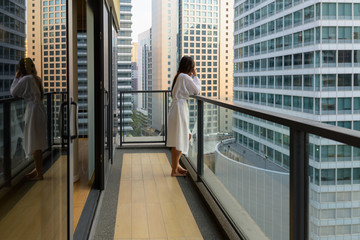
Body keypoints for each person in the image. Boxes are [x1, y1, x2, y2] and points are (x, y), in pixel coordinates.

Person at [11, 58, 47, 180]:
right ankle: (38, 170)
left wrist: (16, 78)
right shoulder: (37, 78)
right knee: (38, 142)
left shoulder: (26, 79)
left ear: (21, 69)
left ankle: (39, 174)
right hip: (40, 111)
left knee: (34, 142)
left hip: (33, 112)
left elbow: (13, 92)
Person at [167, 56, 201, 177]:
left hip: (176, 109)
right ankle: (174, 170)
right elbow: (196, 91)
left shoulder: (179, 76)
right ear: (190, 67)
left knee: (179, 139)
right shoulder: (185, 77)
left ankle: (175, 166)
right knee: (182, 138)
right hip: (179, 110)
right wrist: (195, 76)